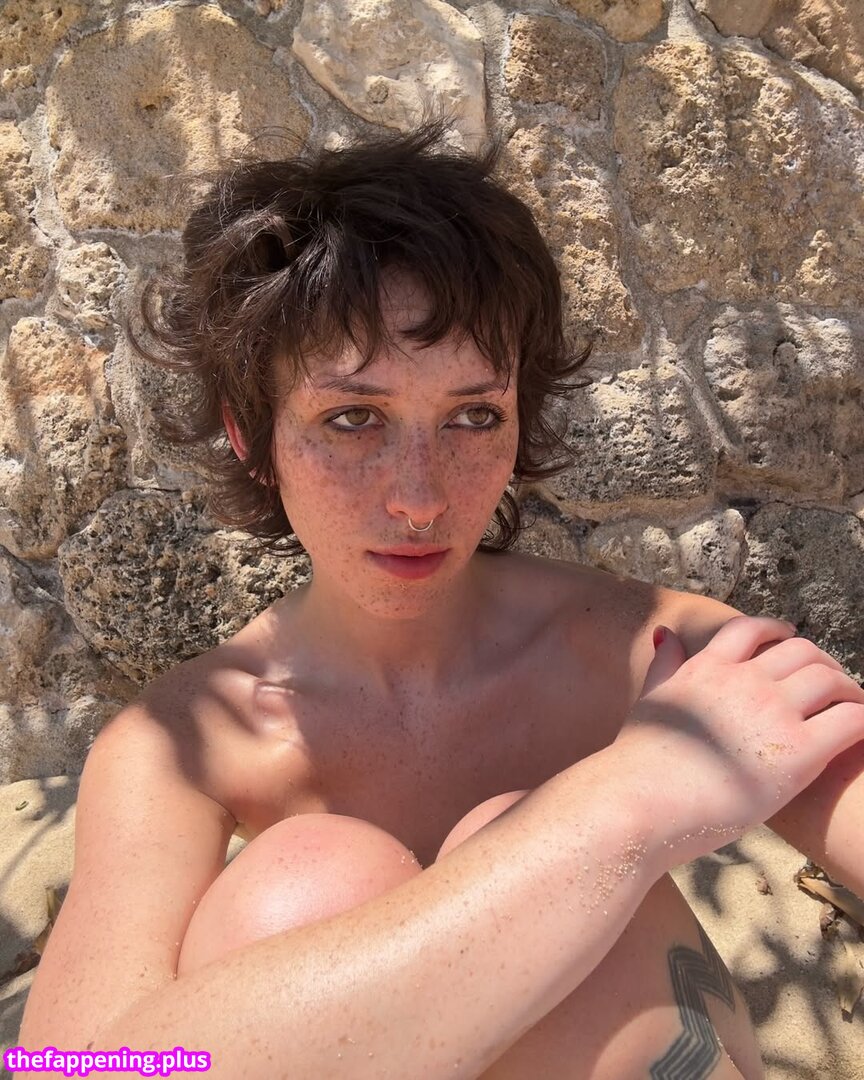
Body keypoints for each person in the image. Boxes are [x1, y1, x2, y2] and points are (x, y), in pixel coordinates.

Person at [15, 124, 864, 1080]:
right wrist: (624, 806)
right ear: (251, 435)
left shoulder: (656, 656)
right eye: (353, 418)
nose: (420, 498)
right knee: (302, 884)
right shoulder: (181, 746)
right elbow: (75, 1067)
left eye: (472, 415)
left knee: (492, 834)